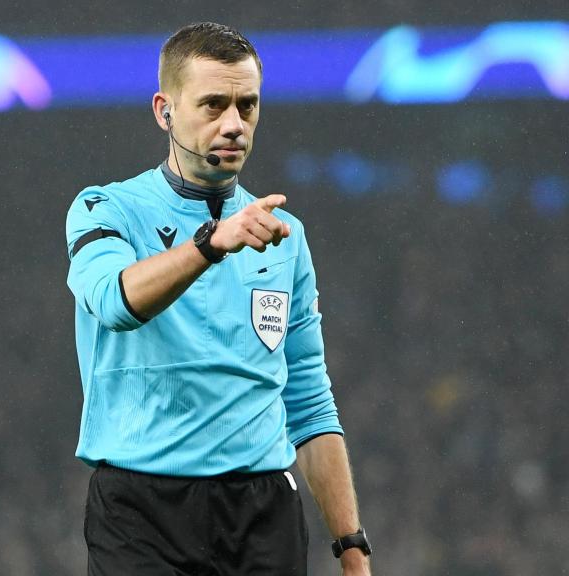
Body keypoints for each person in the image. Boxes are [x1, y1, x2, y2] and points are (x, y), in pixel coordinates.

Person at [65, 23, 372, 575]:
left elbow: (308, 400)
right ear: (165, 110)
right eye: (212, 105)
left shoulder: (285, 236)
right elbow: (113, 300)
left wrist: (352, 547)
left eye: (247, 106)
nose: (233, 124)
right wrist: (210, 243)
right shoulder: (104, 209)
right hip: (142, 514)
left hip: (261, 516)